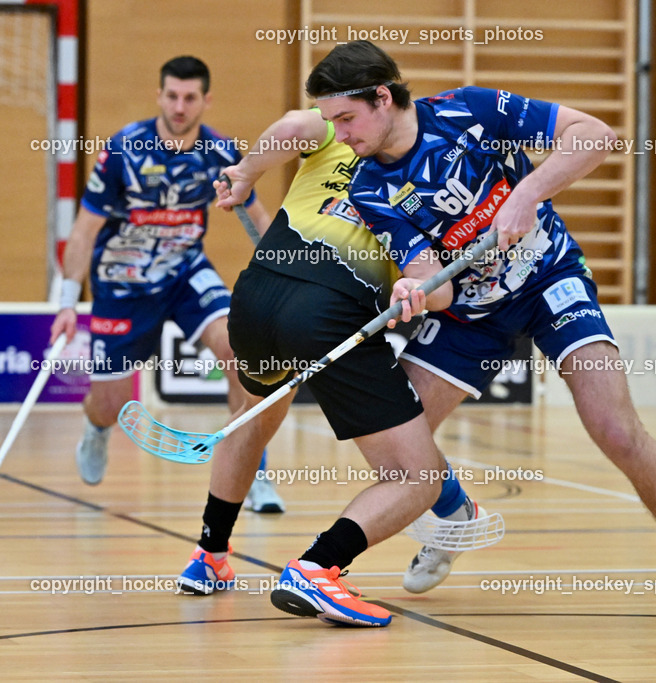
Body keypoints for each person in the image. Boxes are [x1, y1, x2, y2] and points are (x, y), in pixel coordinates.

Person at [304, 40, 656, 625]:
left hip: (549, 284)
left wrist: (527, 194)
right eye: (330, 122)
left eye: (346, 118)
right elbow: (432, 284)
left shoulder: (472, 110)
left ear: (383, 98)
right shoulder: (367, 188)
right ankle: (457, 515)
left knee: (616, 429)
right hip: (468, 315)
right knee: (396, 442)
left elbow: (596, 136)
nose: (340, 135)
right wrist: (415, 291)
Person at [176, 105, 492, 627]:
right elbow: (438, 292)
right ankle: (320, 567)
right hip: (332, 314)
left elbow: (289, 127)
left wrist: (248, 173)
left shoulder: (332, 137)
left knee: (253, 418)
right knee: (418, 476)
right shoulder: (425, 181)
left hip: (255, 297)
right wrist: (432, 287)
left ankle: (208, 556)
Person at [49, 56, 284, 513]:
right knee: (111, 403)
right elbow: (83, 231)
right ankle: (96, 429)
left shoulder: (220, 153)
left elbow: (256, 217)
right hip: (123, 283)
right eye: (172, 96)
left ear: (205, 100)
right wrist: (65, 302)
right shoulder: (122, 150)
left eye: (190, 97)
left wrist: (284, 267)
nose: (180, 106)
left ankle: (253, 472)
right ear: (158, 96)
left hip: (186, 272)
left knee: (240, 353)